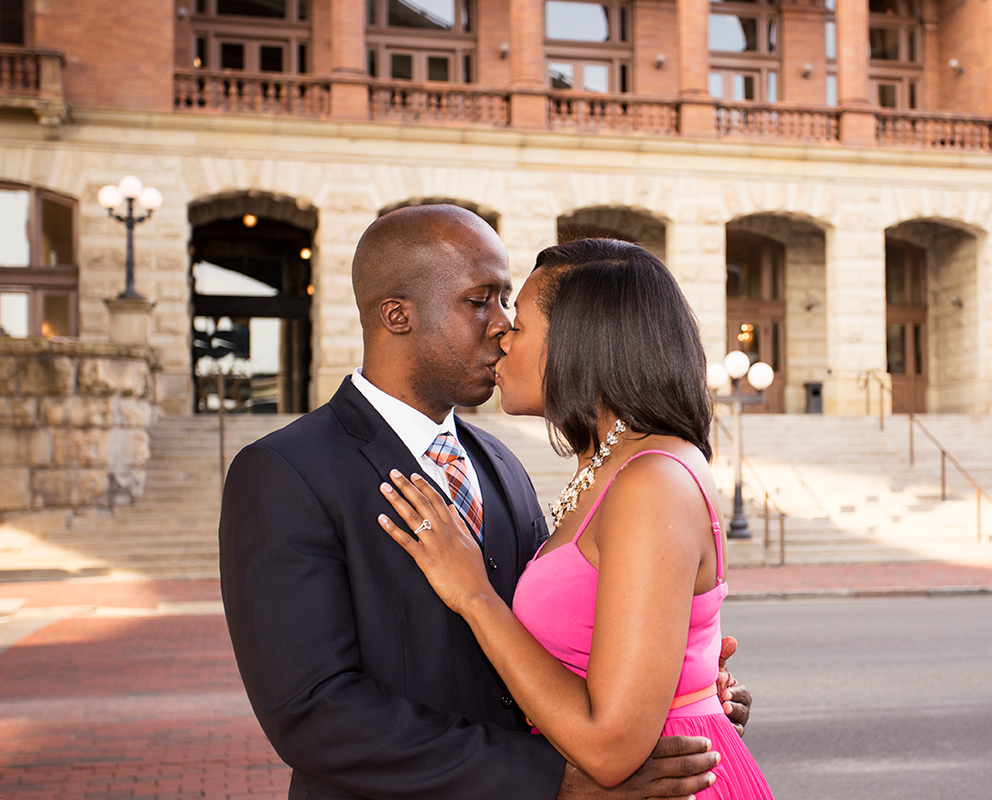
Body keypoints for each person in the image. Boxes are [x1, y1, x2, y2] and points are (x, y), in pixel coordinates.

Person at [219, 206, 750, 800]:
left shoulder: (499, 463)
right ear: (398, 315)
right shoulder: (285, 473)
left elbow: (557, 632)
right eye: (482, 300)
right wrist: (550, 780)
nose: (502, 326)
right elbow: (314, 713)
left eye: (509, 304)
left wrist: (675, 684)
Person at [375, 238, 775, 797]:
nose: (501, 337)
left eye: (519, 323)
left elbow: (609, 748)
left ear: (578, 341)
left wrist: (474, 594)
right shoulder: (610, 471)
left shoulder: (650, 479)